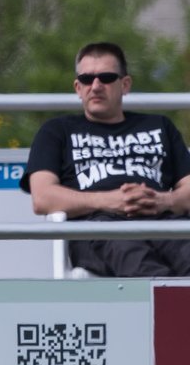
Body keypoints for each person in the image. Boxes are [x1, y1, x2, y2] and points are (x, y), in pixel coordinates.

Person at [21, 41, 190, 276]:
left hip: (164, 220)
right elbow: (42, 198)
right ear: (78, 88)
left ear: (125, 84)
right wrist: (111, 201)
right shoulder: (56, 131)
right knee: (144, 268)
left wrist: (163, 201)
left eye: (107, 77)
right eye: (87, 79)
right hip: (99, 227)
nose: (96, 86)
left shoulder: (160, 125)